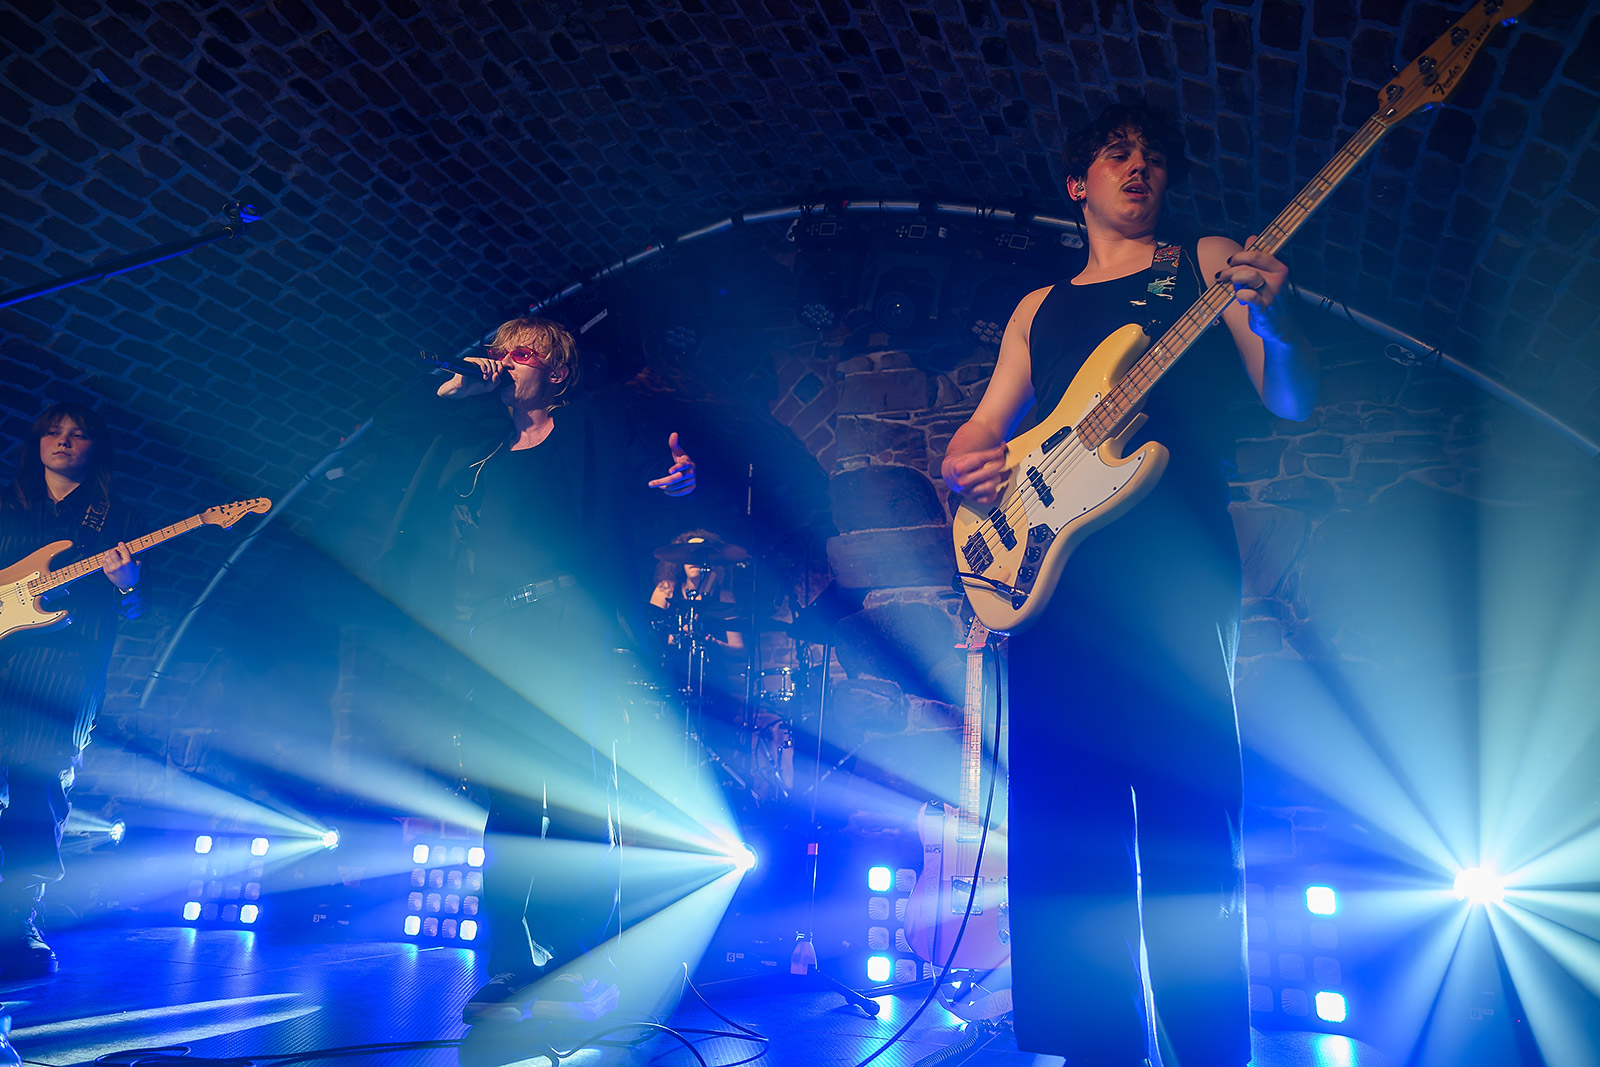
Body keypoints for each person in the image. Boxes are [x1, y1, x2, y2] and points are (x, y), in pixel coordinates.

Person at [940, 101, 1318, 1065]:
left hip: (1174, 580)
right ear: (1079, 184)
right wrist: (966, 461)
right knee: (1066, 833)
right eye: (1117, 154)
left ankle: (1206, 1047)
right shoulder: (1039, 308)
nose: (1138, 166)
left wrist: (1273, 322)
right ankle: (1093, 1043)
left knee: (1192, 825)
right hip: (1056, 589)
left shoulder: (1206, 263)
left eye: (1152, 156)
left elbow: (1289, 399)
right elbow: (985, 426)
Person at [376, 317, 696, 1025]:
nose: (503, 362)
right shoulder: (474, 446)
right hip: (496, 633)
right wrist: (451, 391)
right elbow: (391, 433)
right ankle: (510, 966)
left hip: (569, 619)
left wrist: (682, 480)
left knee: (575, 795)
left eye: (520, 353)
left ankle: (575, 959)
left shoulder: (588, 429)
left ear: (556, 372)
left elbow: (657, 467)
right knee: (513, 801)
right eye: (499, 351)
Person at [0, 403, 143, 978]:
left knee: (38, 790)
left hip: (64, 670)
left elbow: (137, 612)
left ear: (95, 448)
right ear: (37, 442)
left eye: (79, 434)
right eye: (54, 432)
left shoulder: (116, 517)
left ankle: (16, 922)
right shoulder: (6, 505)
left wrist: (127, 585)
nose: (64, 441)